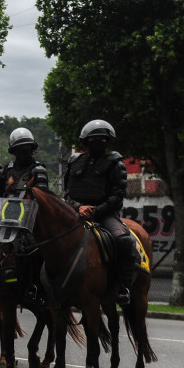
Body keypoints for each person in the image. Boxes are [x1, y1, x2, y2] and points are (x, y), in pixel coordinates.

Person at [62, 119, 138, 306]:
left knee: (124, 240)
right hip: (76, 213)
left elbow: (117, 197)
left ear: (108, 141)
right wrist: (78, 207)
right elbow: (68, 194)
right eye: (92, 139)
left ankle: (124, 287)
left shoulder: (115, 163)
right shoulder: (75, 162)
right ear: (85, 141)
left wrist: (95, 211)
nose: (97, 142)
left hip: (104, 215)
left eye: (102, 139)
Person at [0, 127, 51, 197]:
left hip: (30, 207)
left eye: (27, 147)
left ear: (32, 149)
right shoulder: (6, 172)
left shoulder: (38, 171)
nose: (24, 151)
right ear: (14, 151)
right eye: (20, 148)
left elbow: (42, 199)